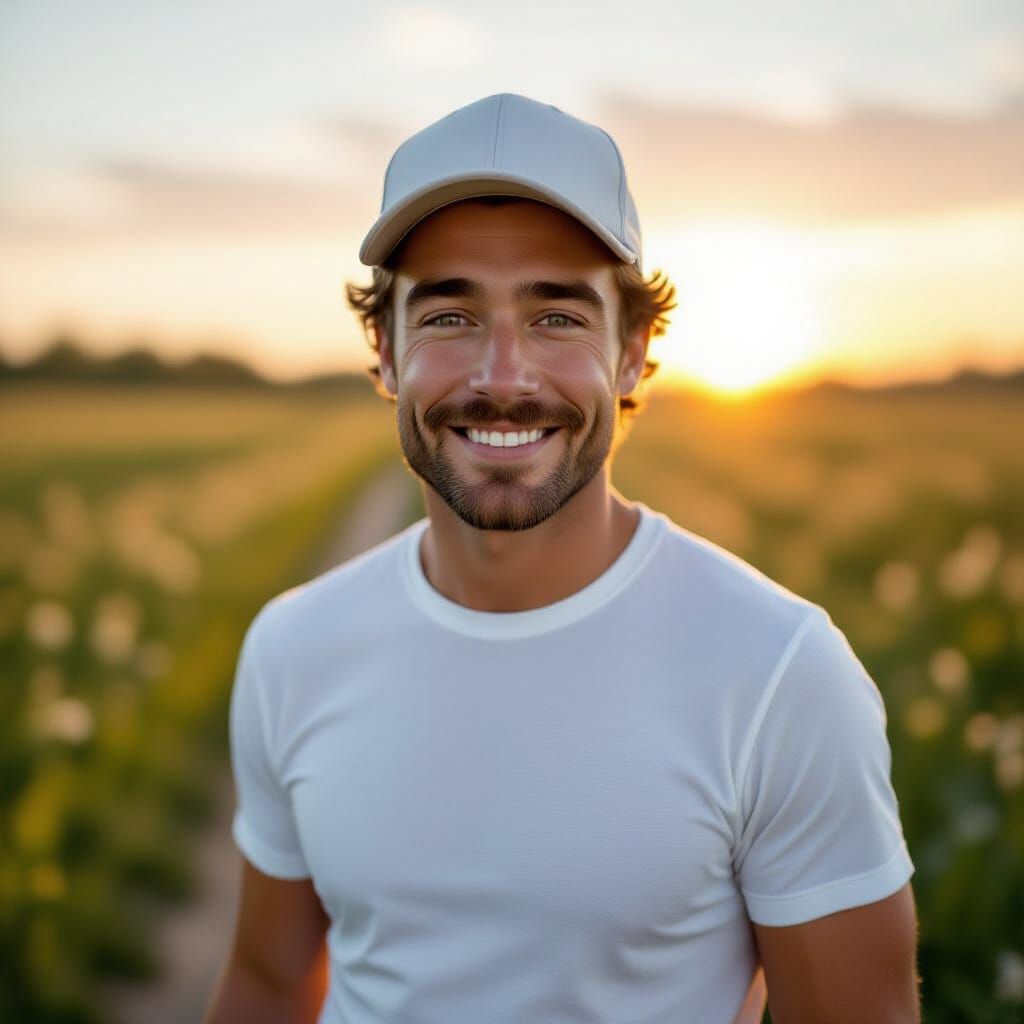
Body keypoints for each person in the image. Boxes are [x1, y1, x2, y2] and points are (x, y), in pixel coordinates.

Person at [204, 92, 920, 1024]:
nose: (503, 378)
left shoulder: (779, 673)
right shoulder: (292, 647)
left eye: (557, 317)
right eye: (451, 316)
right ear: (385, 349)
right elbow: (268, 983)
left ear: (632, 354)